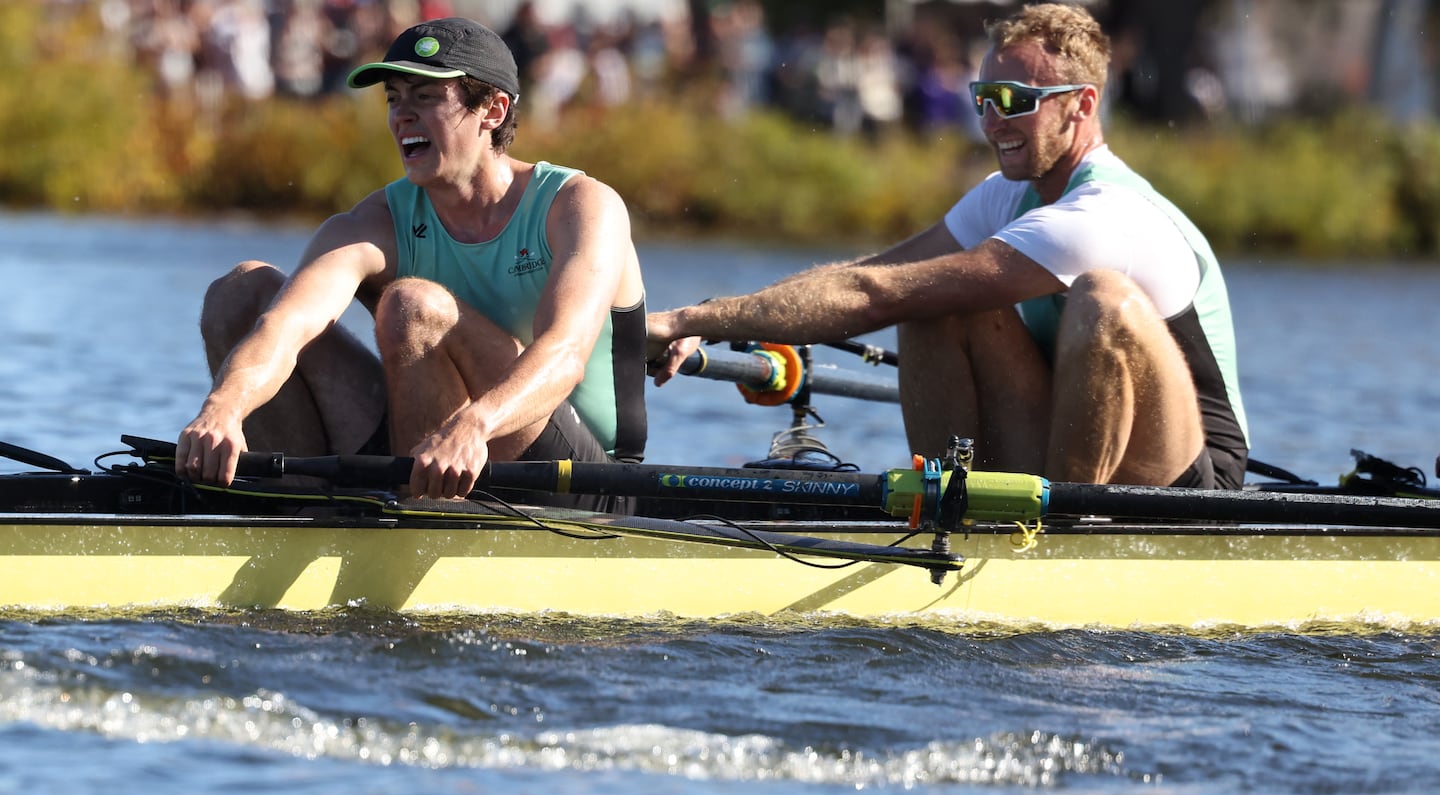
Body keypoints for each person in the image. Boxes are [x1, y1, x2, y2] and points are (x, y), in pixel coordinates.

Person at [648, 3, 1248, 488]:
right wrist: (710, 321)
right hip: (1073, 442)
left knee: (1103, 297)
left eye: (1015, 100)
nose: (992, 121)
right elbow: (874, 275)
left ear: (1082, 106)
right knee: (931, 295)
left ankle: (1063, 538)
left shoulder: (1105, 214)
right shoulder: (1001, 197)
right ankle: (953, 511)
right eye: (983, 97)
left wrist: (680, 318)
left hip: (1188, 475)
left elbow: (872, 297)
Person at [176, 17, 648, 510]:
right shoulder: (377, 221)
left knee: (412, 305)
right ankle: (298, 512)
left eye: (425, 97)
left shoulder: (578, 205)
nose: (401, 115)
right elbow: (285, 326)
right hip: (432, 451)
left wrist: (473, 425)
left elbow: (565, 353)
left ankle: (416, 519)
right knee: (242, 291)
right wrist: (223, 407)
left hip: (585, 479)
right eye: (393, 98)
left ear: (492, 109)